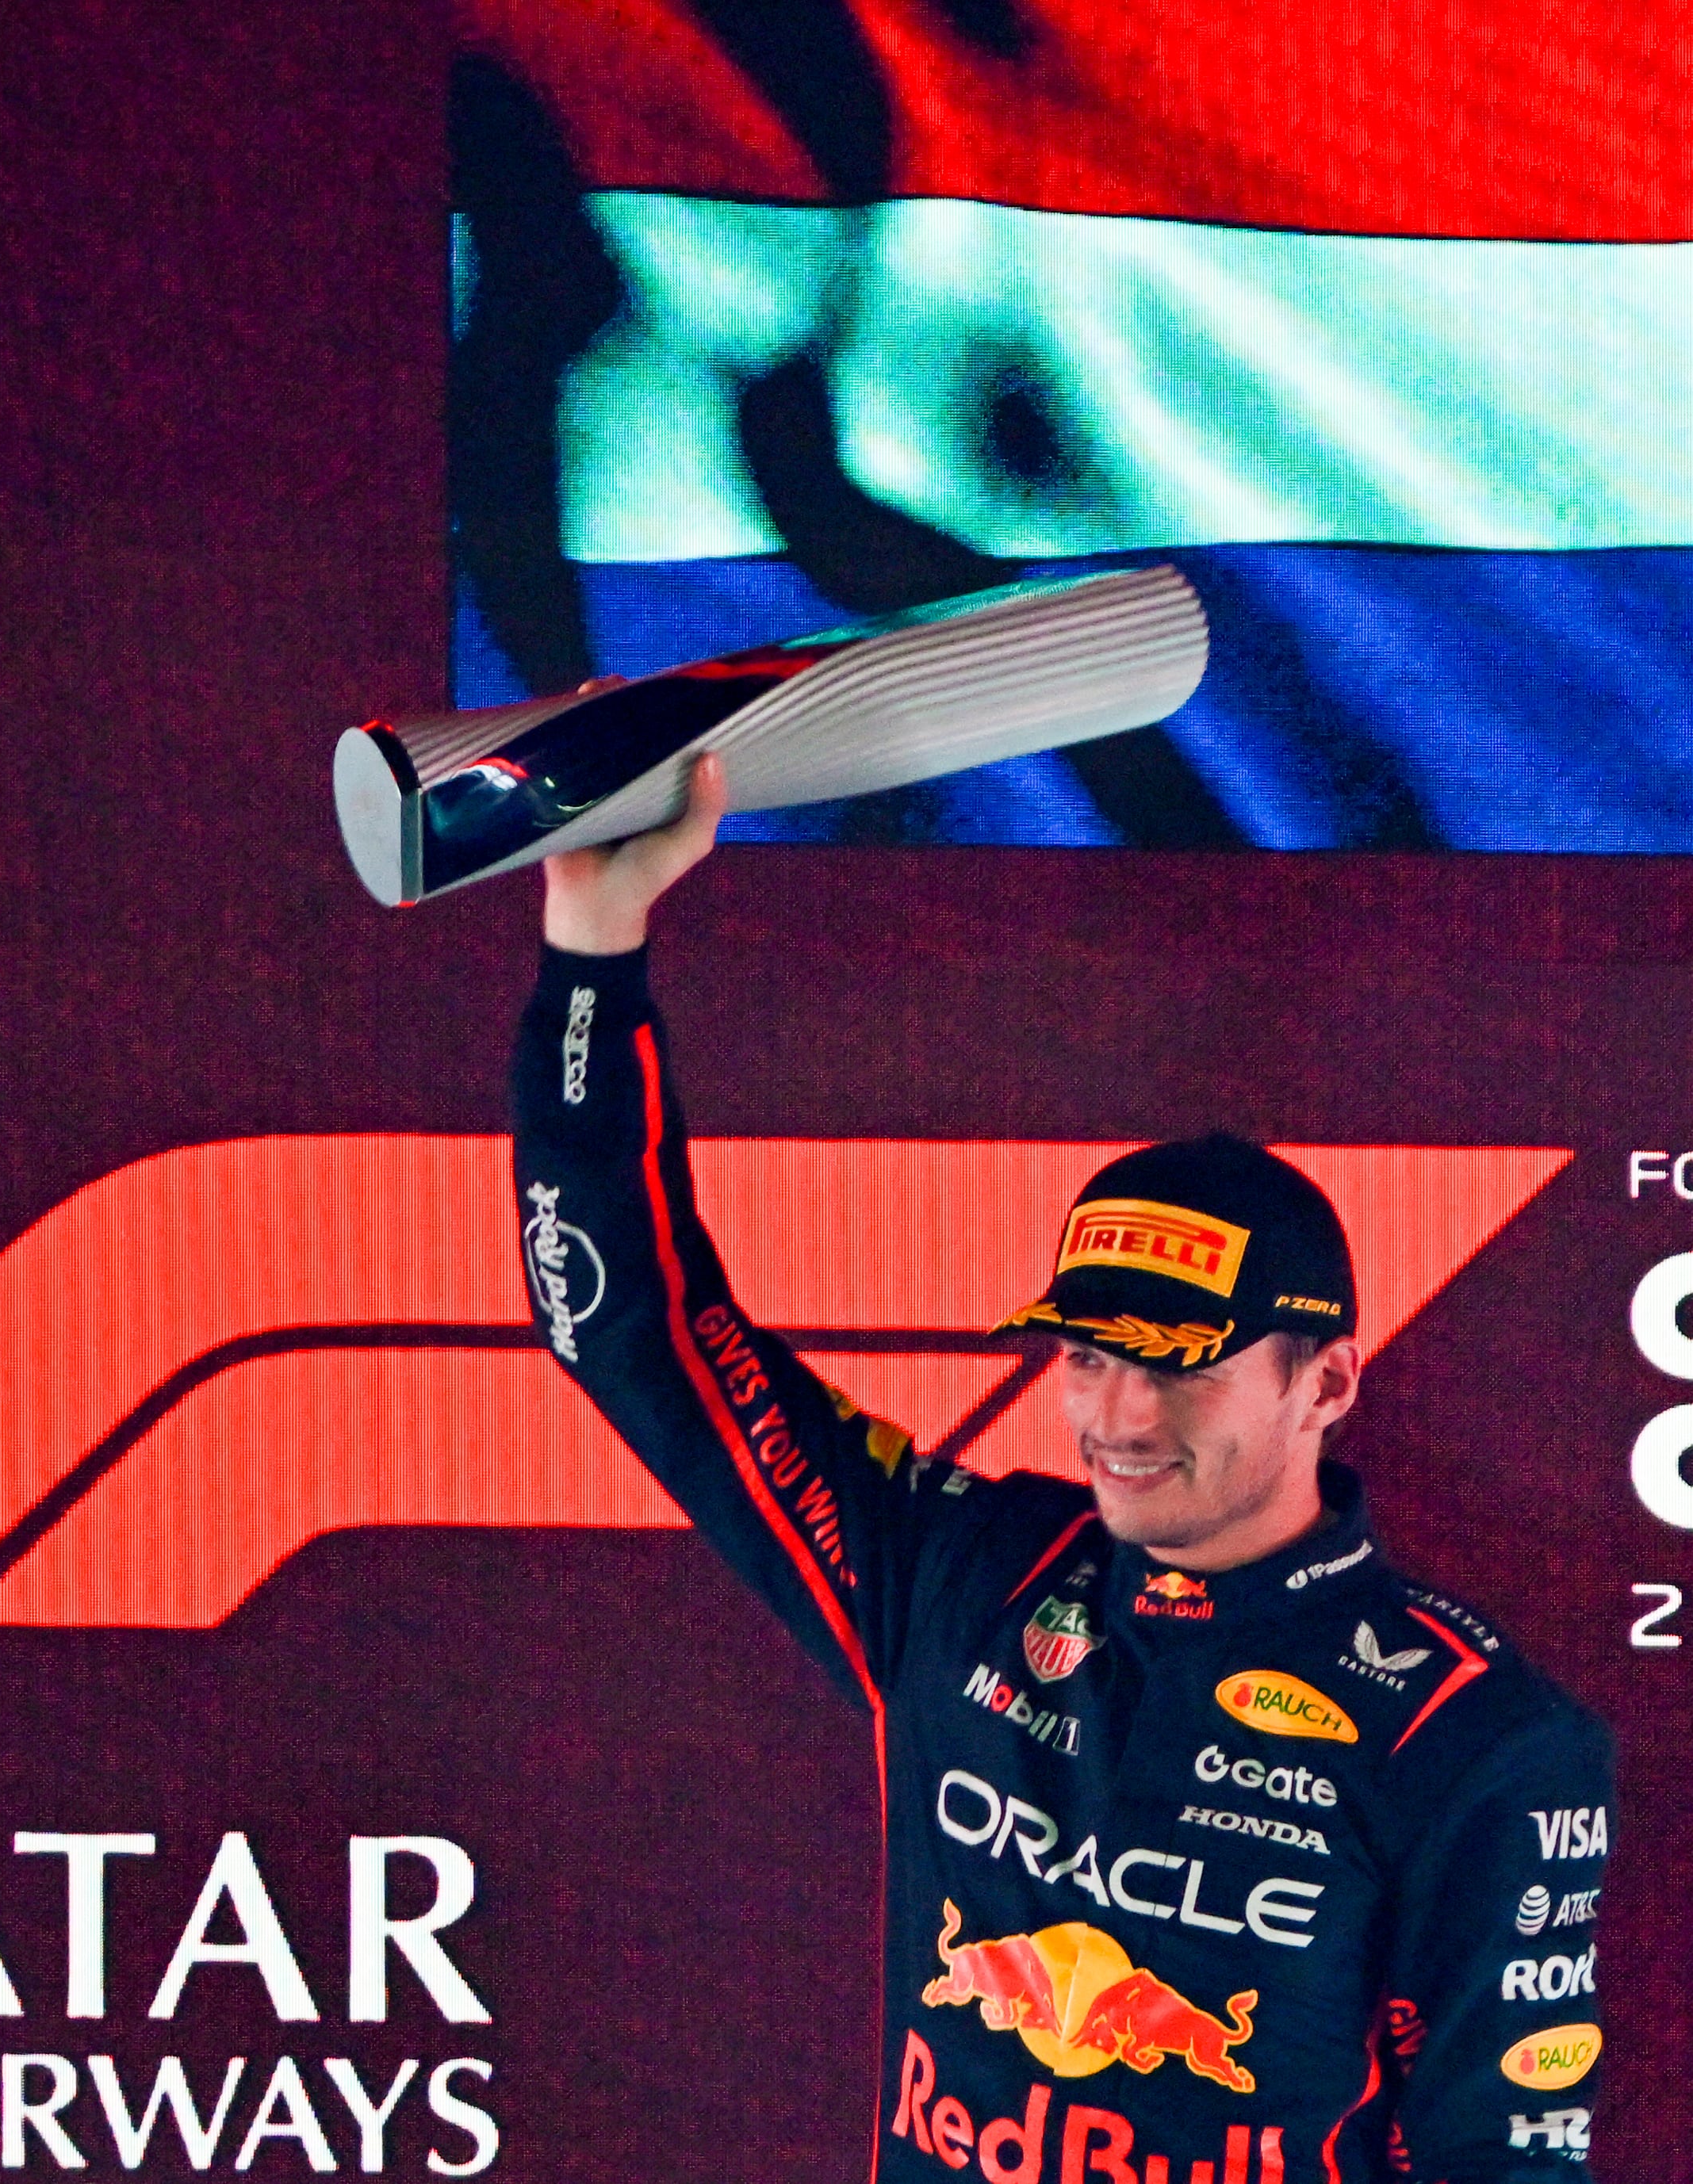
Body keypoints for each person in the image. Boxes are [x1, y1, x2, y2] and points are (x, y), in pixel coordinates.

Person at [511, 755, 1617, 2182]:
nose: (1120, 1414)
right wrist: (591, 950)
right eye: (1086, 1354)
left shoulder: (1486, 1740)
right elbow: (622, 1323)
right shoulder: (962, 1570)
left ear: (1327, 1381)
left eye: (1181, 1360)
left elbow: (1502, 2163)